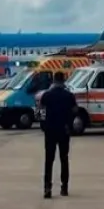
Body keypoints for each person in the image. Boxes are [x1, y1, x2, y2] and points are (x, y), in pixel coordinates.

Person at [38, 71, 78, 199]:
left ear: (54, 81)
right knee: (64, 159)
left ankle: (47, 188)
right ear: (64, 81)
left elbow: (40, 111)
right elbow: (75, 110)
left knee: (49, 160)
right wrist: (70, 124)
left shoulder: (47, 95)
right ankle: (64, 187)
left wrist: (43, 125)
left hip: (50, 130)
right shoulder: (69, 96)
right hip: (64, 130)